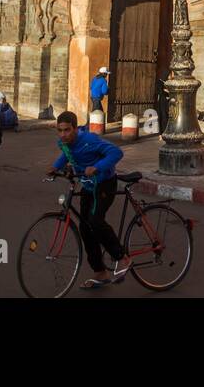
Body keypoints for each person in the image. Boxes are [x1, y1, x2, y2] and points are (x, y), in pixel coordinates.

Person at [45, 111, 130, 289]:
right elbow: (67, 155)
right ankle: (100, 272)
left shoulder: (90, 140)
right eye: (59, 130)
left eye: (67, 130)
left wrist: (97, 167)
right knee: (85, 228)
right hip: (88, 186)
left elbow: (116, 153)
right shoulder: (63, 143)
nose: (63, 135)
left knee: (95, 221)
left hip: (104, 184)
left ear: (75, 128)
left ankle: (122, 258)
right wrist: (55, 167)